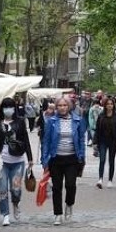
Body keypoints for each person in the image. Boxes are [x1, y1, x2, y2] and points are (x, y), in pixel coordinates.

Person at [41, 95, 86, 225]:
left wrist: (81, 156)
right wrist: (45, 160)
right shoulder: (51, 121)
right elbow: (46, 141)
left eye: (64, 105)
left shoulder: (77, 120)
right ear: (56, 107)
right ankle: (58, 214)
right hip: (56, 158)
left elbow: (81, 139)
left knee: (70, 185)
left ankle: (69, 204)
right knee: (57, 187)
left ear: (69, 106)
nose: (62, 108)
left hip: (72, 158)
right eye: (59, 105)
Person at [0, 96, 33, 227]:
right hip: (1, 162)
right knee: (2, 188)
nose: (8, 109)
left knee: (15, 188)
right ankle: (5, 214)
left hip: (17, 160)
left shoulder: (20, 122)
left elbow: (26, 140)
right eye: (5, 107)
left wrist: (30, 158)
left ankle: (16, 203)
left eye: (10, 107)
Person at [93, 96, 116, 189]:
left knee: (111, 160)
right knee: (102, 160)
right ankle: (100, 179)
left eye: (111, 104)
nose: (110, 106)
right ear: (105, 105)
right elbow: (97, 129)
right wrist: (95, 141)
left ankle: (110, 180)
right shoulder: (101, 116)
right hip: (102, 140)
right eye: (108, 104)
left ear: (113, 105)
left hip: (113, 141)